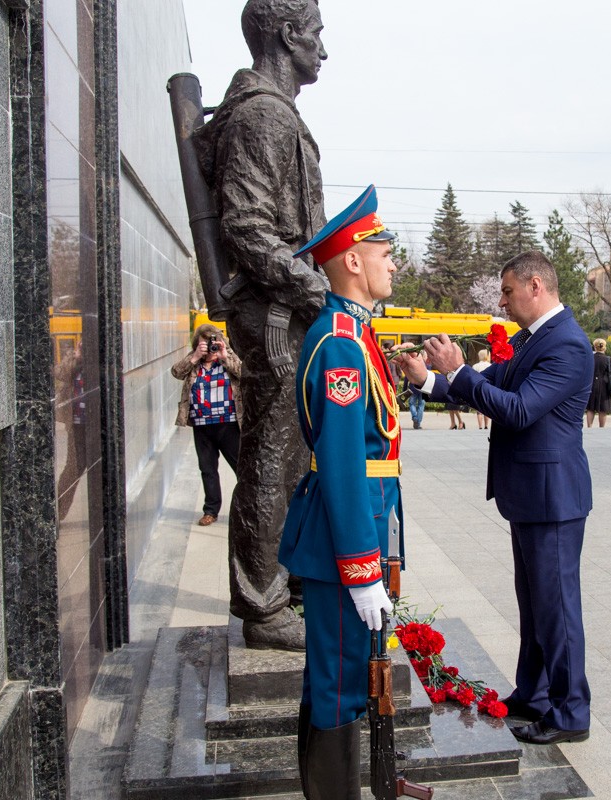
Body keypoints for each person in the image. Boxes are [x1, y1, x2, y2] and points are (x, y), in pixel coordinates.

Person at [397, 251, 593, 746]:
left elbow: (520, 410)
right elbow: (487, 387)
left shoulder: (567, 343)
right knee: (536, 604)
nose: (502, 302)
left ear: (535, 285)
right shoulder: (535, 339)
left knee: (557, 608)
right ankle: (535, 694)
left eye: (507, 291)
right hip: (531, 494)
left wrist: (458, 370)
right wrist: (429, 379)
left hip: (553, 497)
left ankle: (571, 713)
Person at [193, 0, 332, 649]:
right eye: (317, 34)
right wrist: (313, 286)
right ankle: (262, 604)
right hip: (276, 315)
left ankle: (286, 582)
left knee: (293, 455)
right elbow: (247, 227)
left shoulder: (275, 114)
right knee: (271, 459)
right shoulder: (262, 116)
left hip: (287, 309)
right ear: (287, 33)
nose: (323, 49)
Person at [278, 186, 403, 798]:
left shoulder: (354, 334)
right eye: (385, 252)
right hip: (342, 542)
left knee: (341, 675)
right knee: (339, 683)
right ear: (353, 260)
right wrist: (362, 570)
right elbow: (344, 464)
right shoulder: (340, 345)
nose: (393, 263)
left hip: (359, 532)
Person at [171, 323, 243, 525]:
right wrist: (195, 356)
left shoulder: (227, 358)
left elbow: (244, 373)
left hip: (228, 425)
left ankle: (246, 509)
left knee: (241, 468)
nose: (210, 349)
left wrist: (224, 356)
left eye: (213, 343)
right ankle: (210, 511)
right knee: (207, 469)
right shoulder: (194, 361)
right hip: (202, 426)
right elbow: (176, 372)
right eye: (205, 345)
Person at [585, 338, 611, 428]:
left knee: (590, 408)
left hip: (591, 385)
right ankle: (601, 428)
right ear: (605, 347)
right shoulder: (608, 359)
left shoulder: (590, 358)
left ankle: (589, 427)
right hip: (604, 386)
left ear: (595, 347)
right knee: (603, 409)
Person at [472, 349, 494, 429]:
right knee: (487, 408)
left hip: (477, 388)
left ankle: (480, 426)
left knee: (479, 409)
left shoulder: (475, 366)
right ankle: (486, 425)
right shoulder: (490, 365)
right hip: (488, 388)